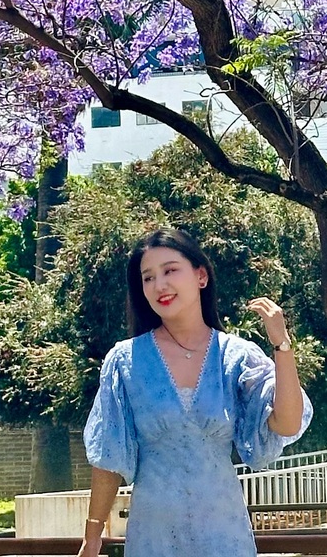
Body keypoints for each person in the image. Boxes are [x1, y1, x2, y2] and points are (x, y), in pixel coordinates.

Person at [77, 227, 312, 557]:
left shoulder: (236, 358)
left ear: (200, 276)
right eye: (148, 278)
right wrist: (92, 536)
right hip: (153, 537)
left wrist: (281, 345)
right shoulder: (124, 361)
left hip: (224, 535)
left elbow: (287, 424)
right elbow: (108, 456)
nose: (160, 285)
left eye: (170, 270)